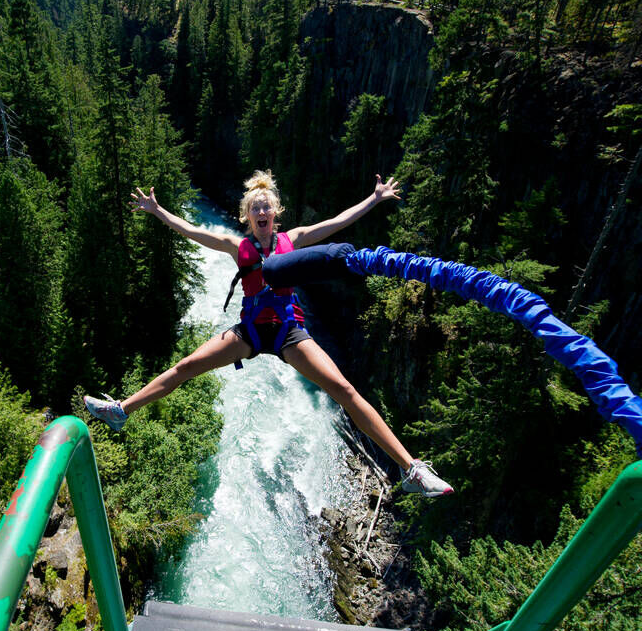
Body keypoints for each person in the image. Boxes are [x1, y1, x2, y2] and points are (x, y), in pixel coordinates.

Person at [84, 170, 453, 498]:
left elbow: (337, 223)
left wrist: (373, 199)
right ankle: (121, 411)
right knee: (186, 366)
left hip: (289, 331)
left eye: (267, 208)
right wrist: (157, 211)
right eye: (255, 209)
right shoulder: (236, 246)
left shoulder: (294, 238)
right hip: (250, 331)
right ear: (247, 216)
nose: (262, 213)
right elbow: (195, 231)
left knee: (344, 390)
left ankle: (411, 468)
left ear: (275, 214)